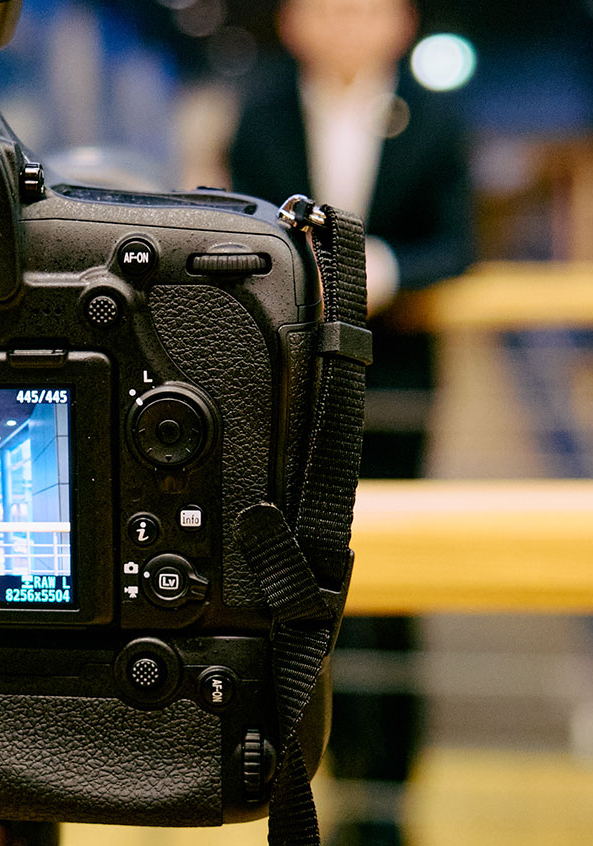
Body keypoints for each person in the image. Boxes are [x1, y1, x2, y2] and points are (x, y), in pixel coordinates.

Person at [226, 1, 475, 844]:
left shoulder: (434, 117)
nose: (342, 21)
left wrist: (383, 272)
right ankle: (299, 782)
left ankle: (386, 802)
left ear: (401, 23)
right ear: (290, 22)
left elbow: (459, 243)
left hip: (394, 389)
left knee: (393, 595)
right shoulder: (259, 113)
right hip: (291, 391)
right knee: (296, 590)